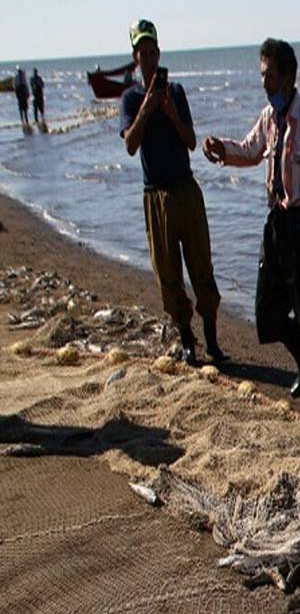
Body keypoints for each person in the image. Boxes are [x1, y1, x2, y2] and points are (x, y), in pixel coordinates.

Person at [202, 38, 300, 422]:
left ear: (289, 76)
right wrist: (221, 149)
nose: (265, 83)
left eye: (270, 76)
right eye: (263, 75)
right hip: (278, 225)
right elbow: (250, 151)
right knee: (267, 313)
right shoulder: (270, 117)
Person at [119, 18, 226, 365]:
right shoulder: (130, 98)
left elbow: (191, 141)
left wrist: (170, 113)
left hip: (185, 190)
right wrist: (148, 110)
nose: (150, 60)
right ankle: (187, 340)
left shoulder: (176, 92)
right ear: (135, 58)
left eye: (154, 52)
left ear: (159, 53)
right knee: (169, 275)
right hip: (156, 196)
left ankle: (212, 340)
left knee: (202, 266)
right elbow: (131, 145)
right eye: (143, 54)